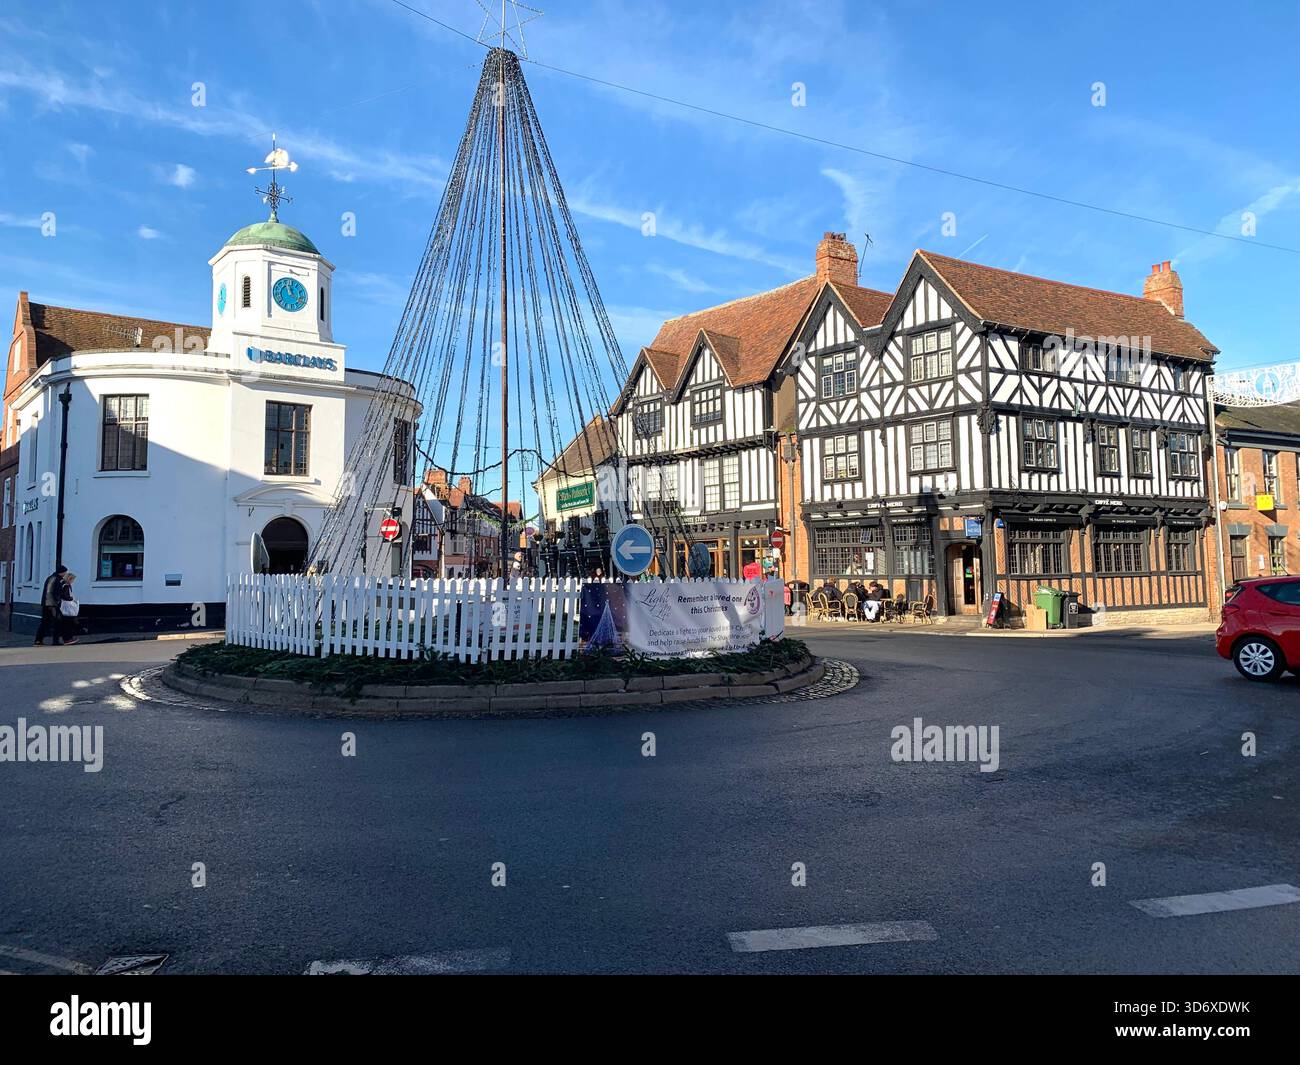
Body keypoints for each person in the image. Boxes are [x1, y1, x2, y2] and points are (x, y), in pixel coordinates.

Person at [34, 565, 69, 646]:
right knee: (57, 621)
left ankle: (39, 640)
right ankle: (58, 640)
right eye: (65, 572)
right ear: (62, 572)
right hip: (51, 604)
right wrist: (52, 605)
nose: (65, 574)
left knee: (47, 622)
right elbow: (49, 592)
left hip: (50, 604)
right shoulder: (54, 579)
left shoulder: (55, 578)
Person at [57, 572, 80, 646]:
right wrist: (72, 599)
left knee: (66, 624)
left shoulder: (62, 584)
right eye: (72, 580)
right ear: (69, 579)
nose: (73, 581)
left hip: (63, 607)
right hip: (67, 608)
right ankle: (68, 639)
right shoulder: (66, 586)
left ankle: (67, 638)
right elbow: (65, 596)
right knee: (68, 624)